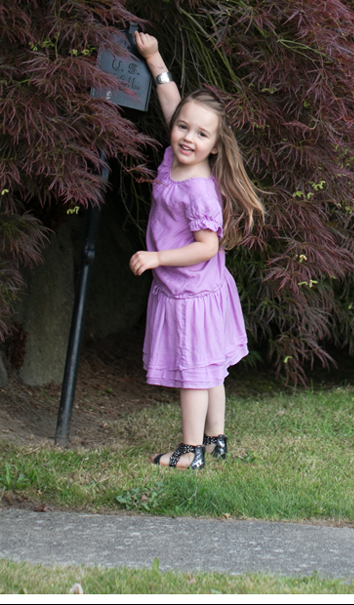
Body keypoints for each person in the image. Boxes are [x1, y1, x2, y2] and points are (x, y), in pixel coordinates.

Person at [129, 31, 264, 470]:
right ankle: (216, 438)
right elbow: (172, 101)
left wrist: (156, 258)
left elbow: (206, 246)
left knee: (194, 373)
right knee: (210, 367)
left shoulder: (202, 191)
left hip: (190, 291)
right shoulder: (176, 151)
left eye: (200, 134)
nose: (188, 137)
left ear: (215, 145)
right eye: (183, 127)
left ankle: (190, 452)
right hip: (200, 289)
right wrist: (154, 57)